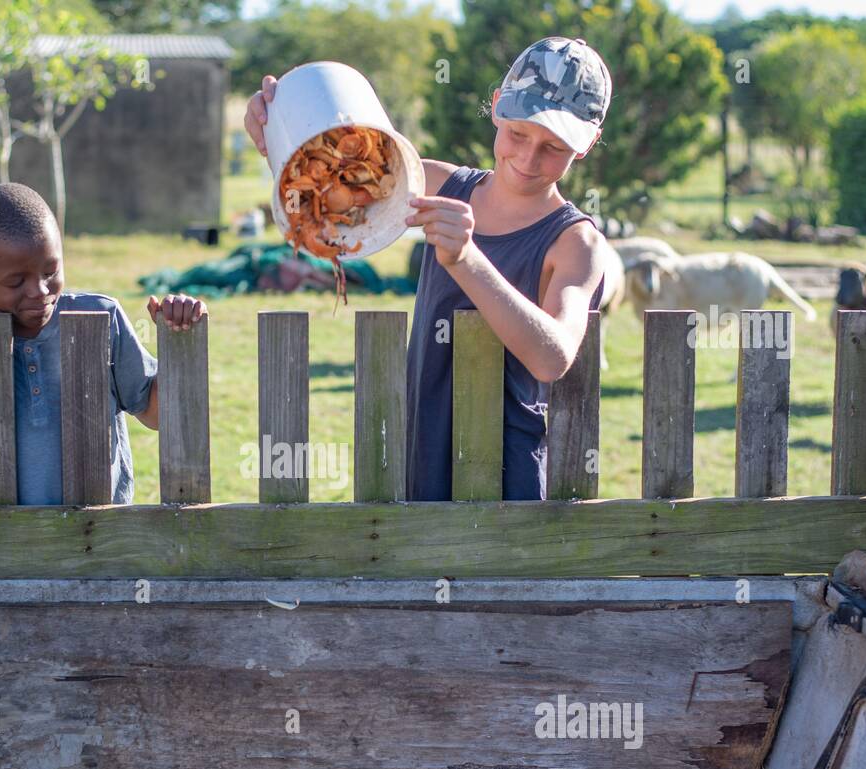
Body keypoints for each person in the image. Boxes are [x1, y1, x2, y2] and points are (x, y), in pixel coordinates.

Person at [245, 37, 612, 499]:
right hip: (418, 455)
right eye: (518, 134)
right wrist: (276, 121)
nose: (528, 158)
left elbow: (552, 356)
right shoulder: (436, 184)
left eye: (553, 147)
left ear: (587, 145)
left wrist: (466, 259)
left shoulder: (575, 242)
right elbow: (331, 172)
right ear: (497, 107)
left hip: (510, 481)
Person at [0, 182, 205, 504]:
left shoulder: (102, 317)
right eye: (16, 282)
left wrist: (177, 337)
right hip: (6, 543)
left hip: (101, 538)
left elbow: (156, 413)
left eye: (50, 272)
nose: (40, 291)